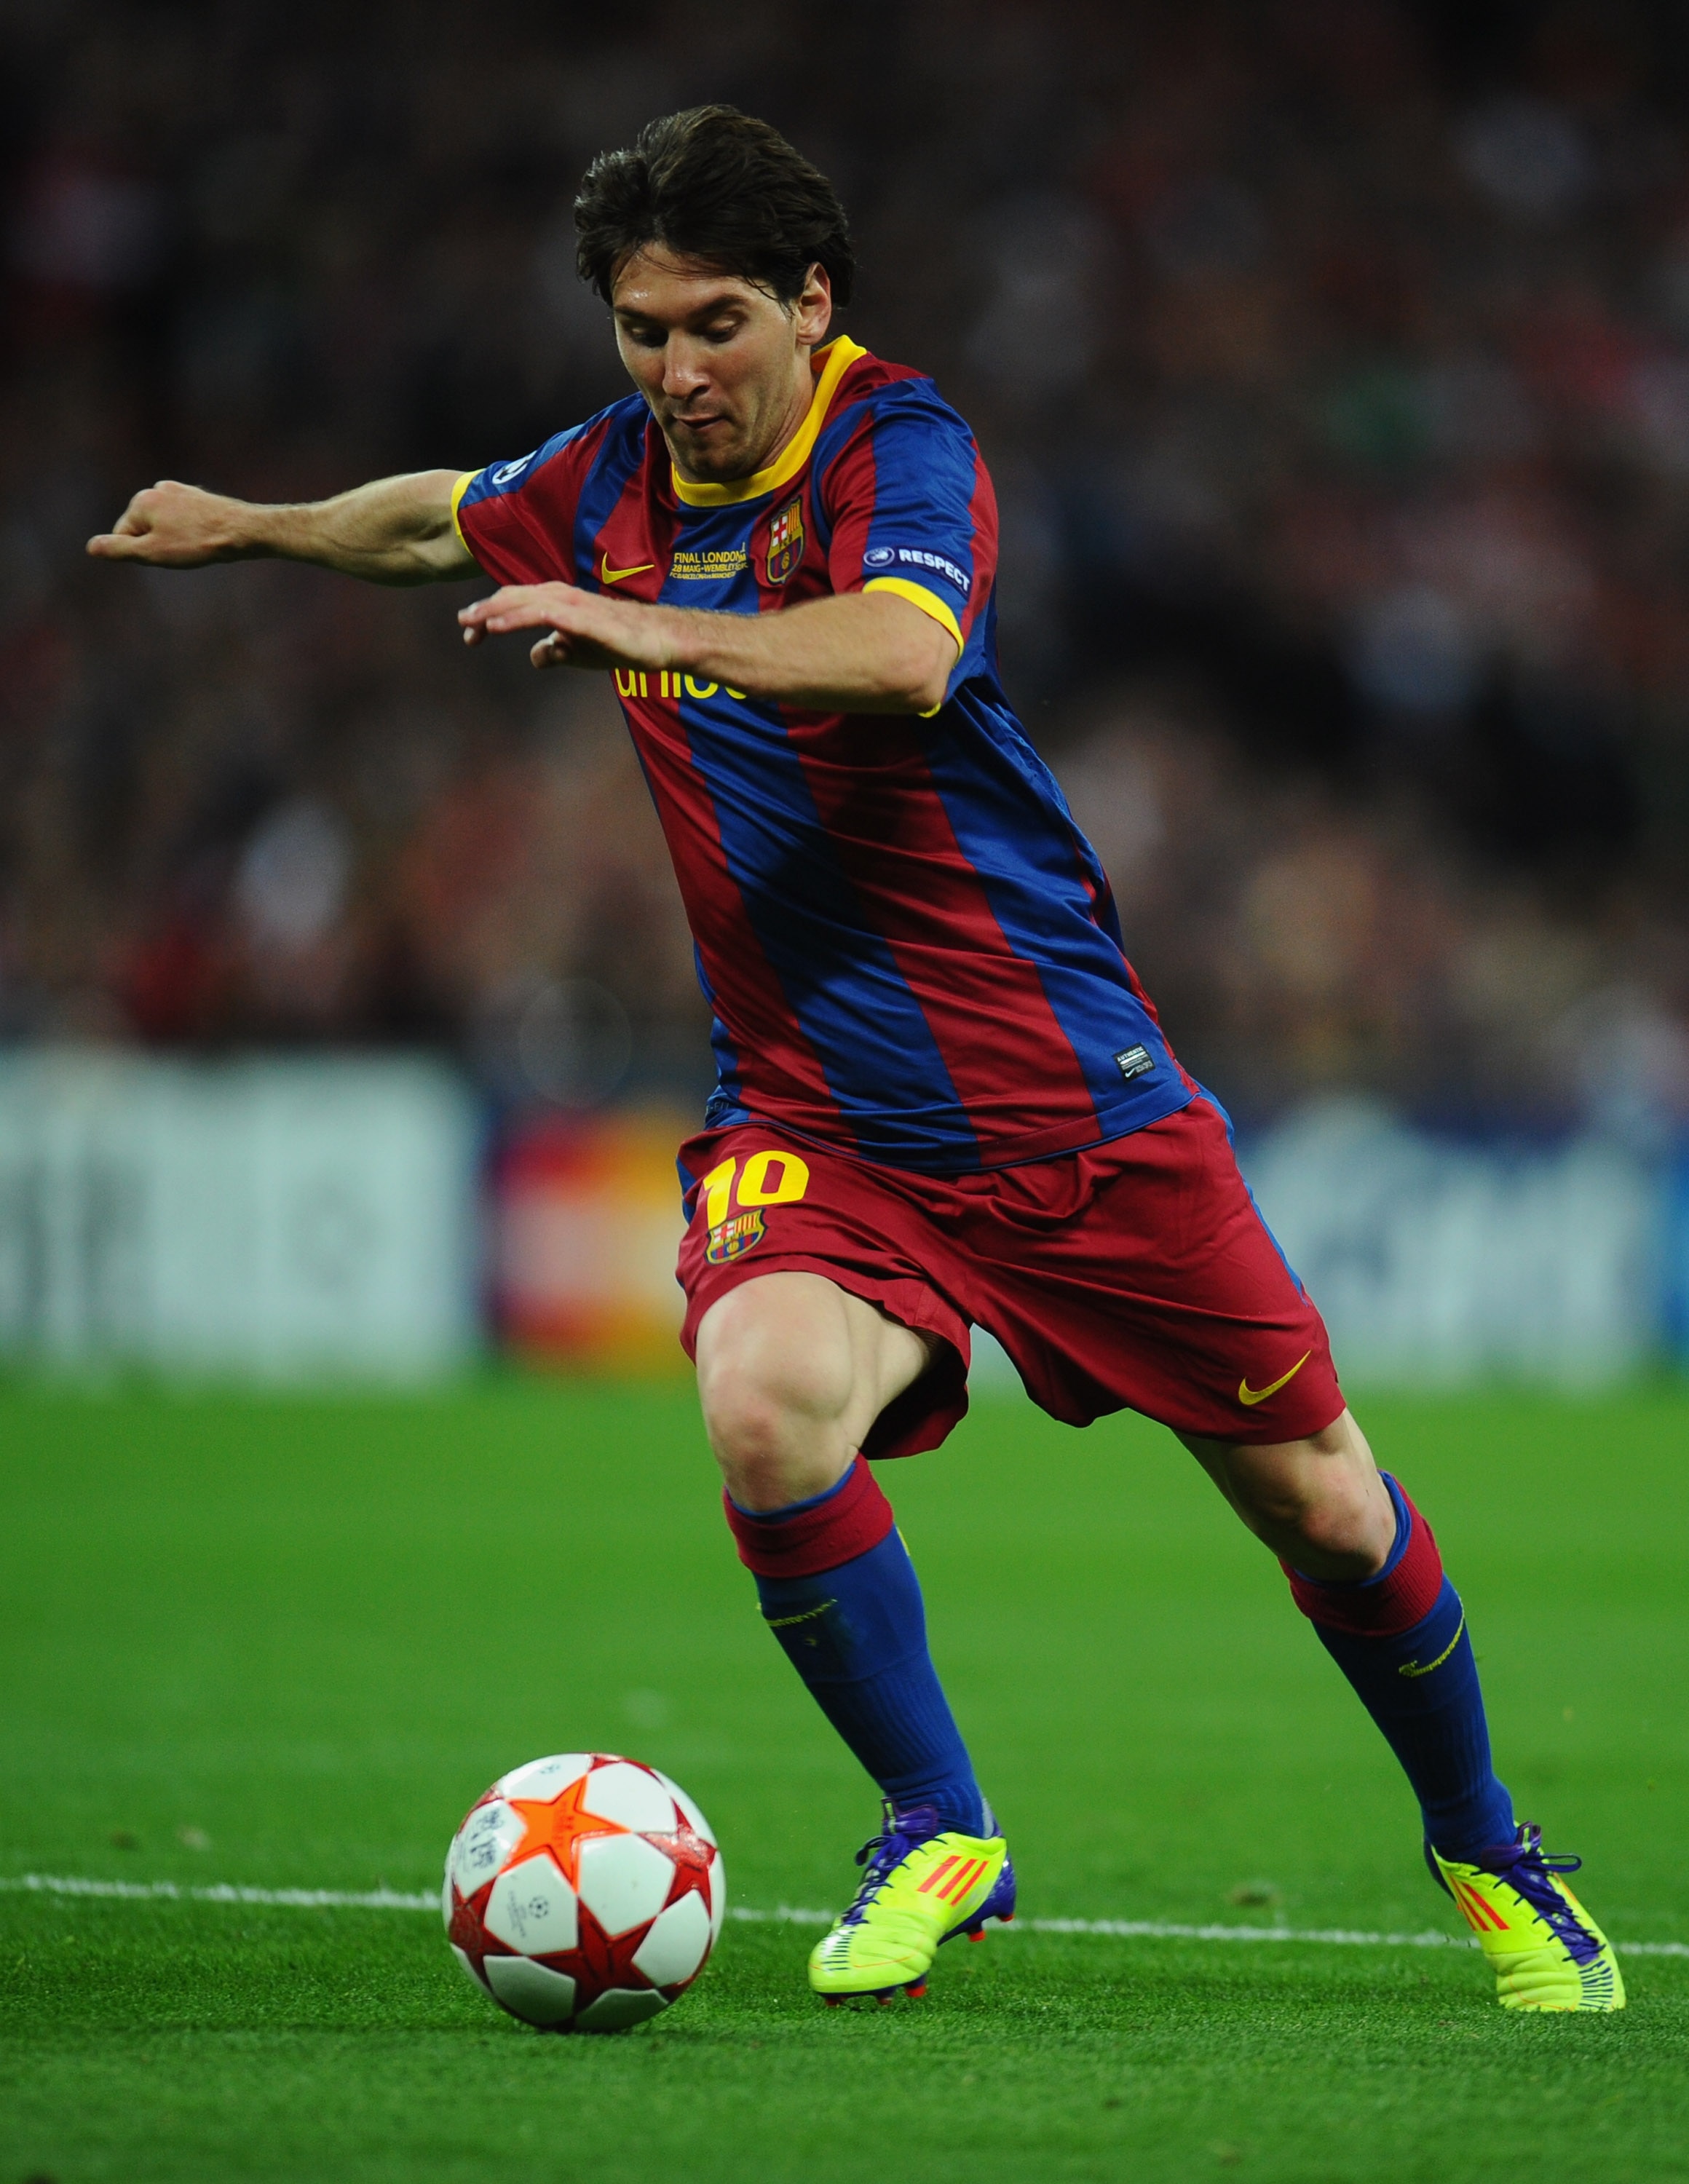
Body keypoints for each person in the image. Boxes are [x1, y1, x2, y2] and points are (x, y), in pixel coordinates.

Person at [88, 105, 1621, 2015]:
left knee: (1314, 1492)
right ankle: (938, 1822)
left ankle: (1486, 1842)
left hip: (1065, 1092)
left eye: (715, 322)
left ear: (814, 302)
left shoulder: (904, 447)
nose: (678, 371)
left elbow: (898, 655)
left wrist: (632, 619)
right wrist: (252, 529)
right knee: (761, 1400)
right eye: (642, 331)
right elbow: (429, 515)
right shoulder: (608, 478)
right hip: (814, 1105)